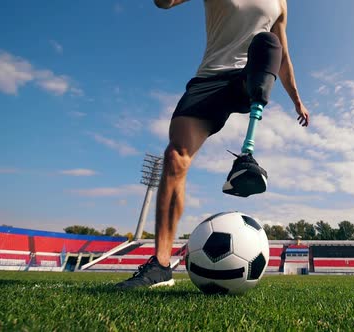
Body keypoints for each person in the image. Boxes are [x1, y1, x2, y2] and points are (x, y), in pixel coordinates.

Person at [115, 0, 310, 289]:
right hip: (210, 79)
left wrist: (296, 99)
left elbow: (283, 56)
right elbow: (164, 3)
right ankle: (161, 265)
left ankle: (247, 154)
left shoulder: (280, 1)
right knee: (175, 158)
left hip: (246, 79)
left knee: (268, 42)